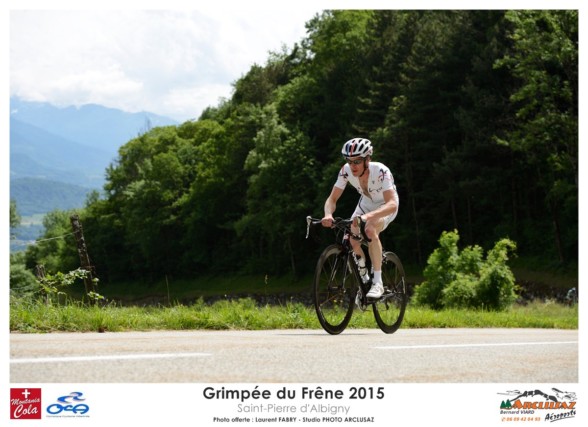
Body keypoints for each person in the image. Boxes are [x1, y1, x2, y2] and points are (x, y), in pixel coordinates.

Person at [321, 138, 399, 299]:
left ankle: (378, 283)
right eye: (349, 161)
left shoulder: (381, 171)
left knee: (369, 229)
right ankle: (364, 281)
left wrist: (367, 217)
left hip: (385, 206)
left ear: (367, 159)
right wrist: (328, 214)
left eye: (357, 161)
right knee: (349, 239)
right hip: (365, 204)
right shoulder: (345, 171)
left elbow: (392, 204)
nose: (352, 166)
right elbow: (332, 199)